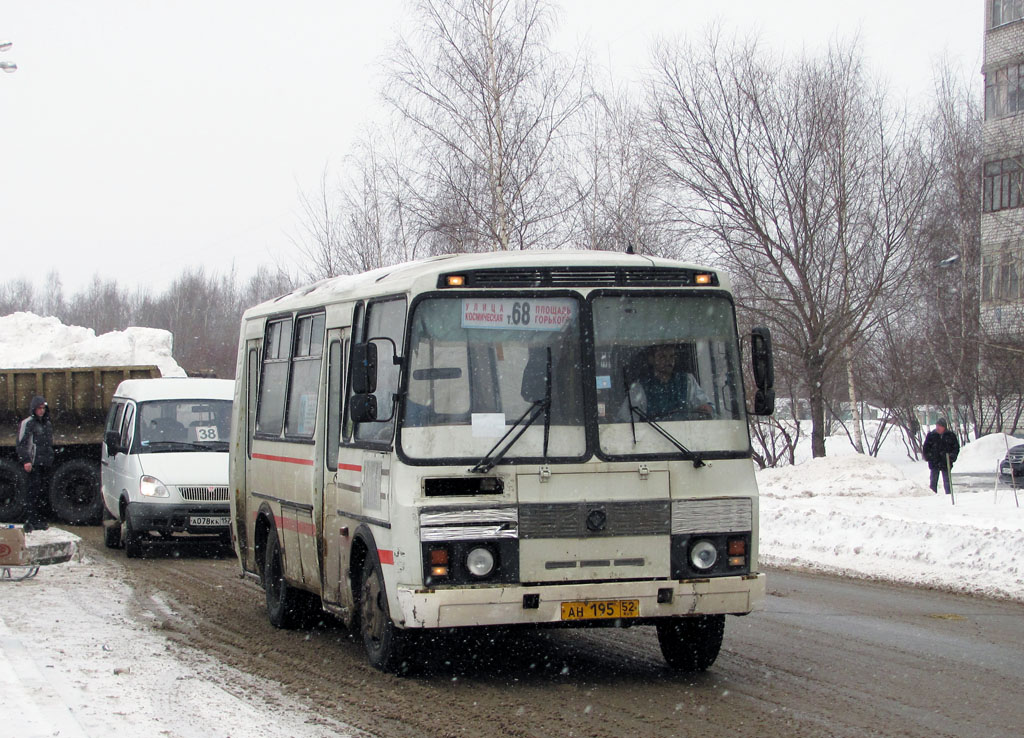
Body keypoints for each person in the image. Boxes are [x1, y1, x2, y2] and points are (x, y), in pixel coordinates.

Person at [624, 344, 713, 420]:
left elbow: (707, 407)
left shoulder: (687, 381)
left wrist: (705, 408)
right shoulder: (641, 387)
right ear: (651, 359)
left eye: (671, 356)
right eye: (662, 356)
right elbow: (626, 420)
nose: (668, 361)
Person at [16, 395, 54, 532]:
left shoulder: (47, 424)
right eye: (39, 408)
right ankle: (31, 520)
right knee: (33, 493)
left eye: (43, 408)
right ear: (34, 409)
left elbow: (49, 444)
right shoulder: (28, 423)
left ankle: (40, 520)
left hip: (45, 463)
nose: (41, 411)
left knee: (42, 493)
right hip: (33, 464)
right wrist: (26, 460)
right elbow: (21, 444)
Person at [922, 418, 959, 495]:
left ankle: (949, 495)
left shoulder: (950, 435)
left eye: (940, 426)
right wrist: (929, 457)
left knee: (947, 481)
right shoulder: (931, 435)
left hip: (946, 462)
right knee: (933, 481)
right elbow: (926, 448)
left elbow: (955, 448)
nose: (938, 428)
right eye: (937, 426)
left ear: (944, 427)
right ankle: (932, 495)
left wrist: (952, 457)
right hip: (934, 462)